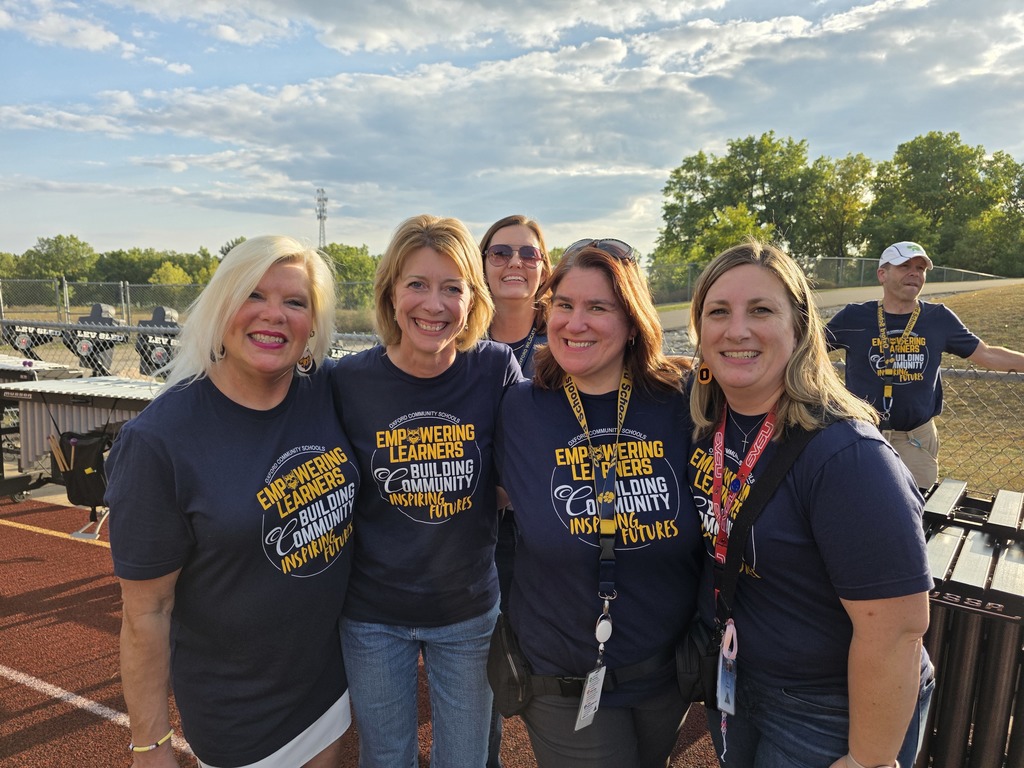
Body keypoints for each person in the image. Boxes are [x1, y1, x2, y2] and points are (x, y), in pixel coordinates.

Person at [107, 236, 359, 768]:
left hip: (328, 687)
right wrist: (149, 745)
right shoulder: (159, 441)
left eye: (295, 302)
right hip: (239, 714)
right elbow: (147, 611)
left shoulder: (327, 391)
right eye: (253, 295)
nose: (274, 314)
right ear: (221, 307)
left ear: (313, 325)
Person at [687, 239, 934, 768]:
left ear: (799, 328)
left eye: (761, 310)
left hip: (828, 708)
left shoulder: (847, 455)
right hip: (739, 680)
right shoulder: (710, 424)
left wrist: (868, 760)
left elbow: (897, 630)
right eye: (718, 312)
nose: (736, 330)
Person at [495, 238, 703, 768]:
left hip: (666, 672)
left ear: (632, 322)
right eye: (564, 304)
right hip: (561, 676)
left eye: (598, 308)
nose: (575, 322)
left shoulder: (683, 401)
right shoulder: (518, 407)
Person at [330, 214, 523, 768]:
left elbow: (522, 467)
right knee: (386, 757)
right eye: (417, 284)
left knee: (464, 759)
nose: (434, 305)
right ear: (391, 293)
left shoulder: (494, 367)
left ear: (472, 299)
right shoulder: (347, 381)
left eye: (452, 288)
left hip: (466, 611)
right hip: (372, 614)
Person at [826, 240, 1024, 489]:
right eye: (905, 266)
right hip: (862, 436)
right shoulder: (854, 316)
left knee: (919, 507)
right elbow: (807, 349)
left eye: (920, 268)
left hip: (915, 440)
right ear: (882, 274)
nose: (914, 273)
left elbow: (988, 355)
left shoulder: (938, 318)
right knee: (860, 503)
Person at [478, 214, 552, 768]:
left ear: (544, 267)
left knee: (549, 647)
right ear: (481, 263)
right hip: (478, 524)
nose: (515, 263)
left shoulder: (564, 335)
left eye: (529, 254)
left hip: (548, 520)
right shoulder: (456, 334)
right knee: (483, 655)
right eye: (501, 252)